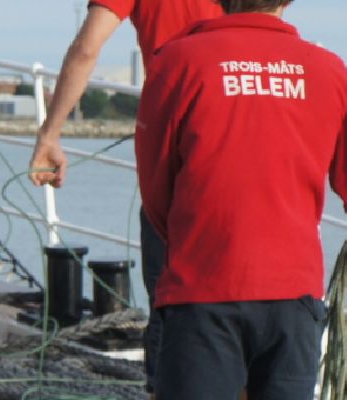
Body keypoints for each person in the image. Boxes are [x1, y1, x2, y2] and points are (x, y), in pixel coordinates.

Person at [134, 0, 347, 398]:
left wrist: (186, 237)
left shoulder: (177, 61)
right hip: (292, 293)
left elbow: (154, 182)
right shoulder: (326, 69)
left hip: (202, 289)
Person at [20, 0, 222, 384]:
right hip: (241, 132)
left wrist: (50, 133)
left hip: (171, 135)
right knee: (244, 296)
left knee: (170, 291)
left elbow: (87, 48)